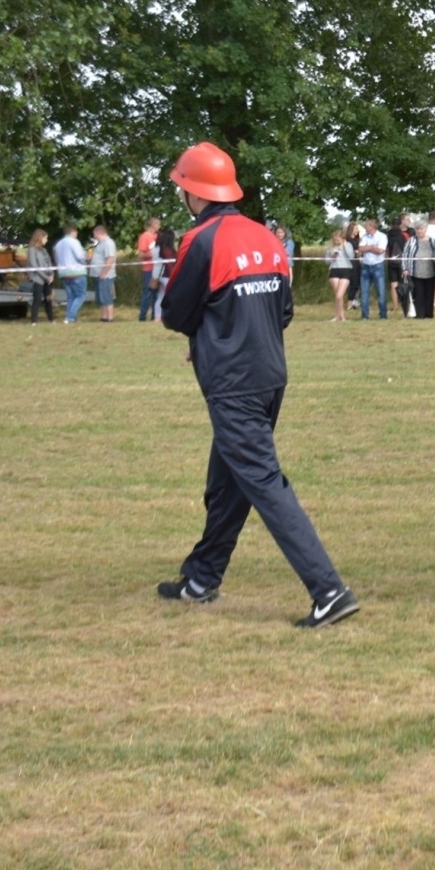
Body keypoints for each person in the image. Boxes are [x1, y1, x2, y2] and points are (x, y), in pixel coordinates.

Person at [156, 141, 359, 627]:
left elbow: (175, 313)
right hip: (270, 376)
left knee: (264, 482)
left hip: (232, 382)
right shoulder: (266, 238)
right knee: (228, 483)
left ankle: (329, 590)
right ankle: (202, 577)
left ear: (192, 192)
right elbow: (282, 311)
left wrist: (208, 337)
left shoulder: (200, 241)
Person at [53, 224, 88, 324]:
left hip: (63, 273)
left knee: (71, 296)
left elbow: (56, 258)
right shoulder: (74, 242)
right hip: (76, 272)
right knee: (80, 295)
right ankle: (70, 317)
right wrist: (86, 261)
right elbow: (80, 256)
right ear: (73, 232)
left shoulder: (58, 244)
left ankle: (71, 317)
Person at [404, 219, 435, 318]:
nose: (419, 231)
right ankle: (420, 314)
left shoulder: (432, 240)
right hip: (416, 272)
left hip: (430, 271)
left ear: (425, 229)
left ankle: (429, 314)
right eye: (417, 229)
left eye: (421, 229)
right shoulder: (411, 240)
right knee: (418, 294)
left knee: (429, 294)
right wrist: (405, 268)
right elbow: (405, 255)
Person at [358, 217, 389, 319]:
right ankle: (365, 316)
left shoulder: (382, 236)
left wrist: (368, 247)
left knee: (381, 292)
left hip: (378, 266)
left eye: (366, 225)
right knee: (364, 293)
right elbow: (360, 248)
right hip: (366, 266)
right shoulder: (364, 236)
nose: (365, 227)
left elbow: (381, 251)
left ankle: (383, 315)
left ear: (371, 226)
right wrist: (372, 247)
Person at [25, 229, 55, 324]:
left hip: (48, 279)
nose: (47, 240)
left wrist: (51, 275)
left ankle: (51, 319)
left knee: (49, 299)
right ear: (40, 238)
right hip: (37, 279)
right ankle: (34, 321)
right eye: (45, 238)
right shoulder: (32, 250)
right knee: (37, 300)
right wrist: (45, 276)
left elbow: (49, 263)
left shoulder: (44, 250)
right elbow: (34, 265)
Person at [325, 229, 356, 322]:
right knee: (338, 295)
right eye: (334, 239)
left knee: (339, 295)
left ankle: (341, 316)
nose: (336, 241)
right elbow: (327, 261)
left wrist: (344, 245)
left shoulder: (348, 245)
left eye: (337, 239)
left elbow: (351, 256)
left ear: (342, 238)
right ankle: (339, 316)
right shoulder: (330, 248)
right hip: (334, 270)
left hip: (345, 270)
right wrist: (332, 257)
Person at [90, 224, 117, 322]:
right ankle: (104, 316)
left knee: (106, 296)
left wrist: (104, 272)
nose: (94, 236)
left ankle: (110, 317)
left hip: (106, 275)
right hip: (97, 274)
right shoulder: (99, 243)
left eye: (94, 234)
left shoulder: (108, 243)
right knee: (100, 297)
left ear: (98, 233)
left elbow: (110, 259)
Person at [137, 216, 161, 321]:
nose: (159, 227)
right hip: (148, 268)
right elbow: (141, 254)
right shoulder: (145, 237)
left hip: (157, 268)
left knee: (157, 292)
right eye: (158, 224)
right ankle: (142, 315)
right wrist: (154, 254)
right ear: (153, 225)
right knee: (148, 292)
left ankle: (155, 315)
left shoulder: (157, 237)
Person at [387, 215, 412, 316]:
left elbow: (387, 248)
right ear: (400, 224)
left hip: (391, 262)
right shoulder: (404, 235)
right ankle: (405, 303)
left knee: (393, 284)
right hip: (402, 262)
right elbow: (407, 247)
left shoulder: (388, 235)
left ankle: (395, 305)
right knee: (404, 284)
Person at [151, 225, 177, 320]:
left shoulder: (156, 248)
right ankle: (171, 316)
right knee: (171, 297)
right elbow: (170, 265)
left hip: (158, 276)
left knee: (161, 297)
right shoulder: (168, 250)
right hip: (167, 276)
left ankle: (157, 317)